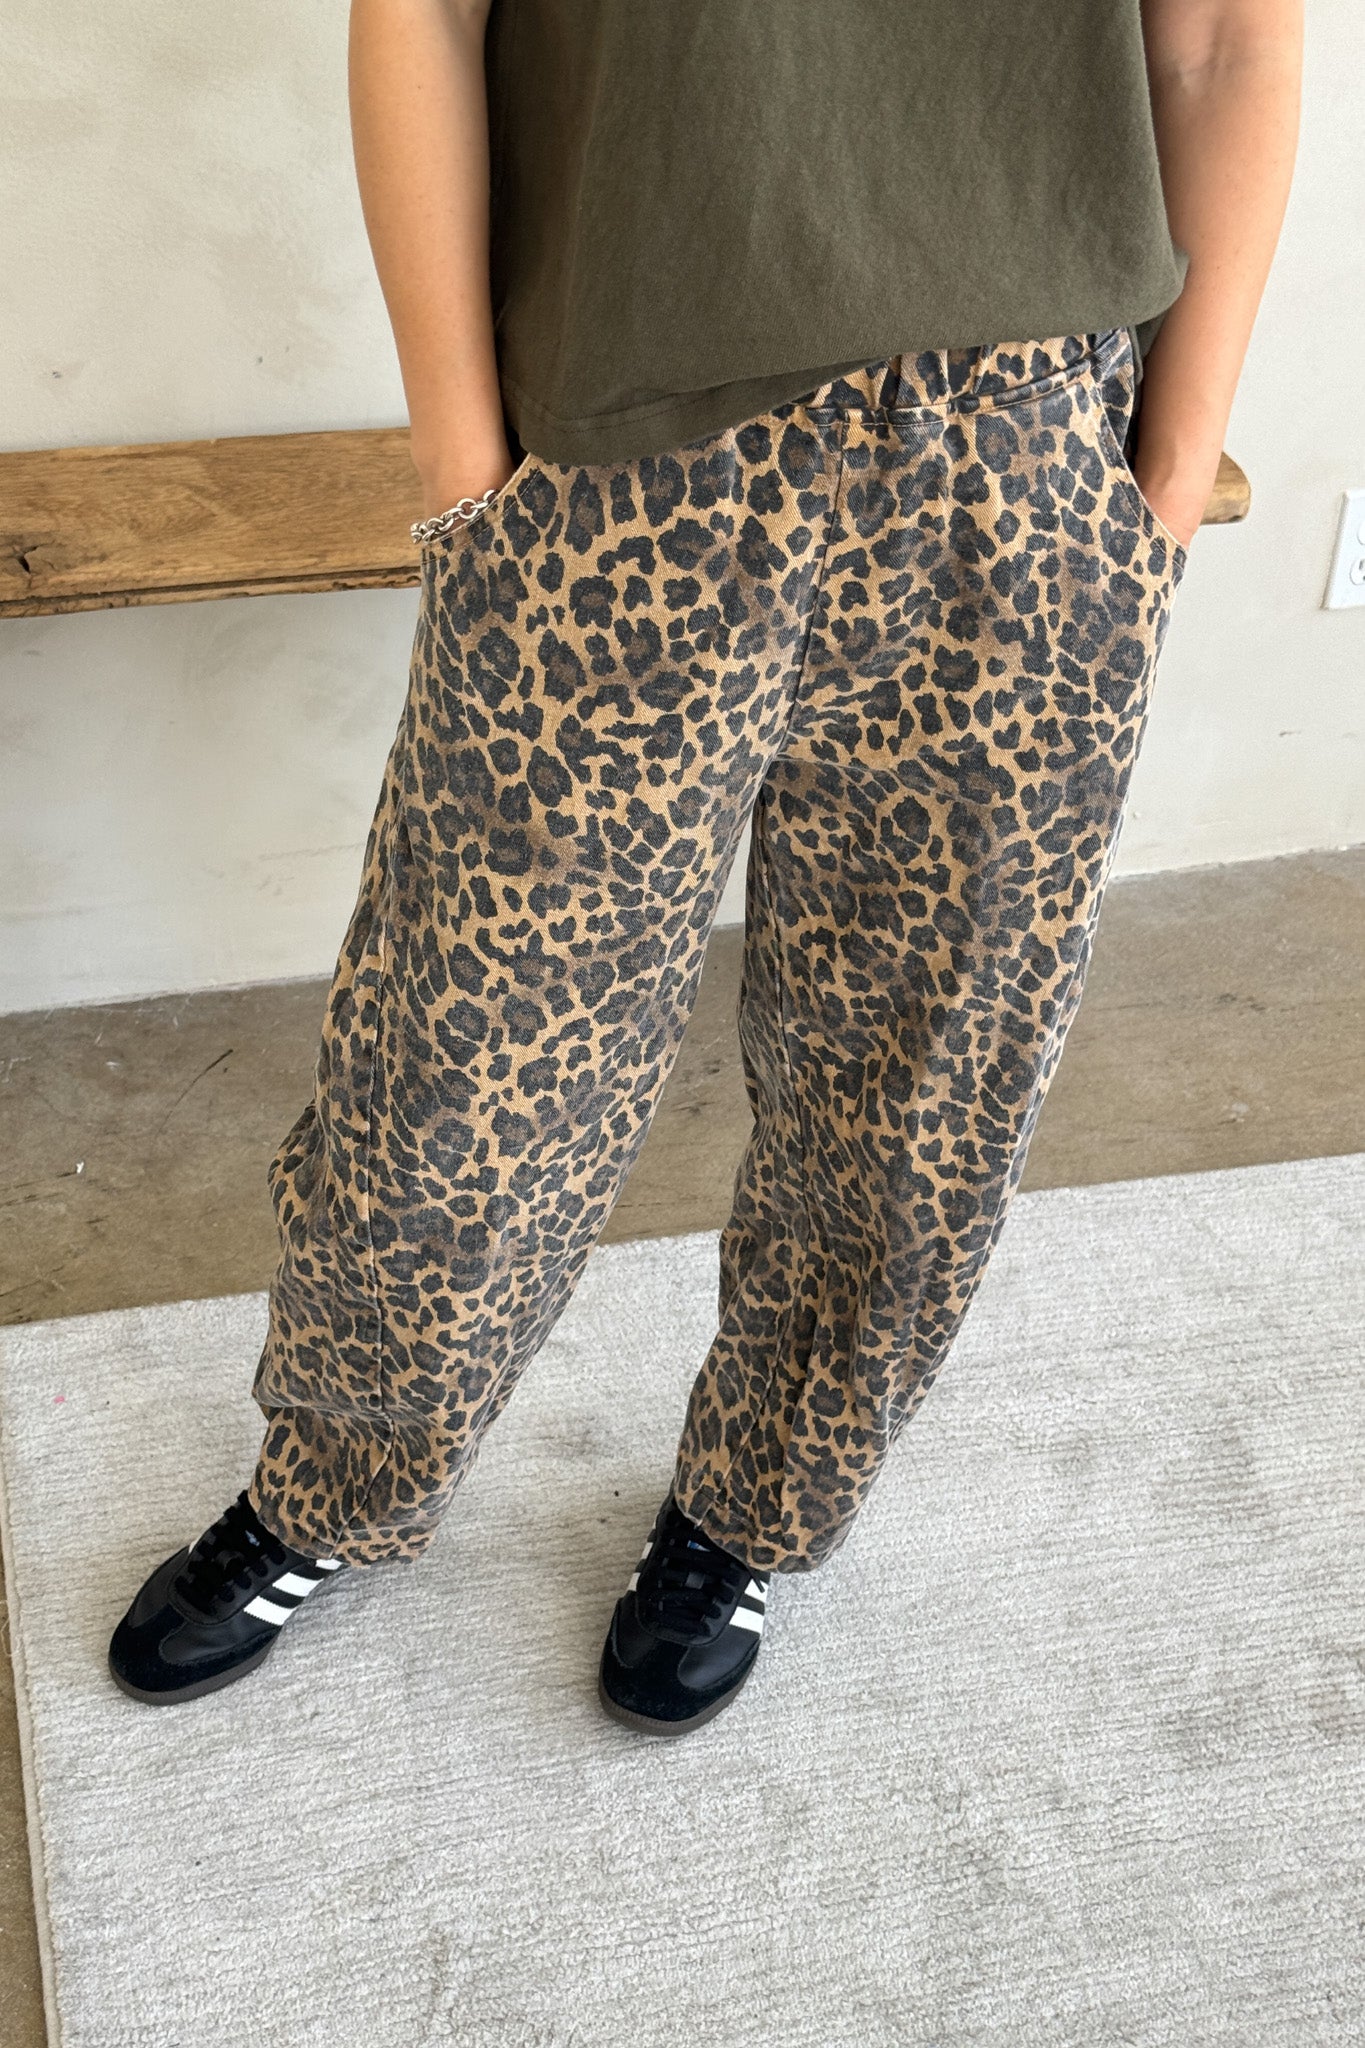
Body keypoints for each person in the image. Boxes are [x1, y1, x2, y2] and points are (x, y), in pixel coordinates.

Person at [109, 0, 1302, 1735]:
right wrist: (465, 466)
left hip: (1024, 462)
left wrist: (1160, 488)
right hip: (624, 468)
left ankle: (751, 1512)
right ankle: (332, 1486)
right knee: (463, 1066)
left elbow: (1221, 42)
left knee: (919, 1081)